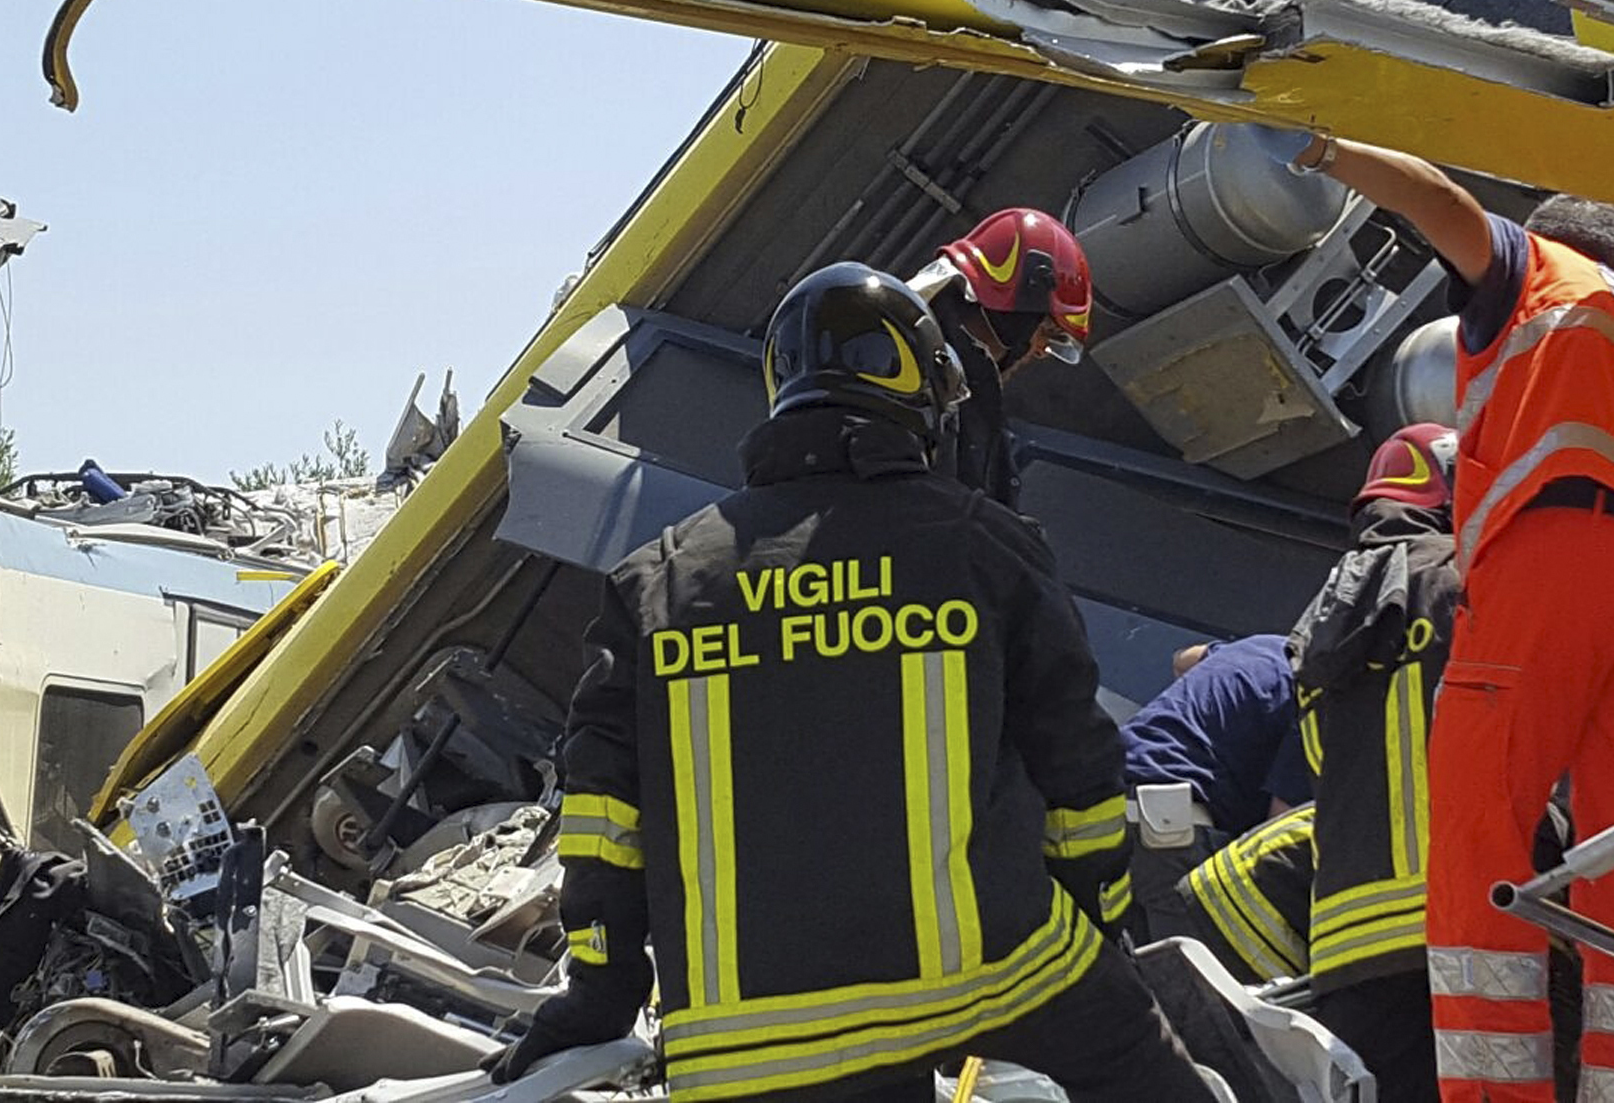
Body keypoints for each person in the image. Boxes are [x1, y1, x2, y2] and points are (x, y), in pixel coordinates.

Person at [487, 262, 1215, 1102]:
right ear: (925, 397)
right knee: (1145, 1064)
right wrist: (1102, 922)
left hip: (748, 1032)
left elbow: (604, 818)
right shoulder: (982, 544)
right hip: (988, 969)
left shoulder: (657, 579)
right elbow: (1080, 776)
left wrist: (598, 995)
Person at [1284, 131, 1614, 1102]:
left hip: (1553, 564)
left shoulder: (1538, 272)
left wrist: (1323, 146)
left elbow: (1438, 202)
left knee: (1479, 838)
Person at [1179, 424, 1463, 1103]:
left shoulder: (1327, 620)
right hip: (1451, 922)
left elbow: (1309, 783)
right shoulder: (1467, 574)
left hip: (1343, 949)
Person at [1120, 634, 1308, 938]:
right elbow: (1280, 834)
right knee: (1195, 974)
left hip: (1109, 800)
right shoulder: (1321, 694)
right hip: (1173, 834)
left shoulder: (1266, 646)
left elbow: (1184, 660)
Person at [911, 208, 1094, 508]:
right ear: (1016, 315)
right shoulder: (903, 370)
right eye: (1047, 330)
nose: (1040, 351)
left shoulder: (964, 399)